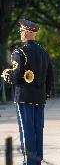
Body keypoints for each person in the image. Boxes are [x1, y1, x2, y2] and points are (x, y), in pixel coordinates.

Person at [1, 19, 53, 165]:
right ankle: (36, 161)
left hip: (24, 96)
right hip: (40, 97)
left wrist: (7, 76)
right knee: (38, 131)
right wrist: (46, 93)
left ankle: (29, 162)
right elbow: (50, 76)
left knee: (26, 131)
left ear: (28, 33)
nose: (20, 33)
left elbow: (17, 74)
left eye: (22, 31)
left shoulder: (20, 52)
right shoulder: (43, 52)